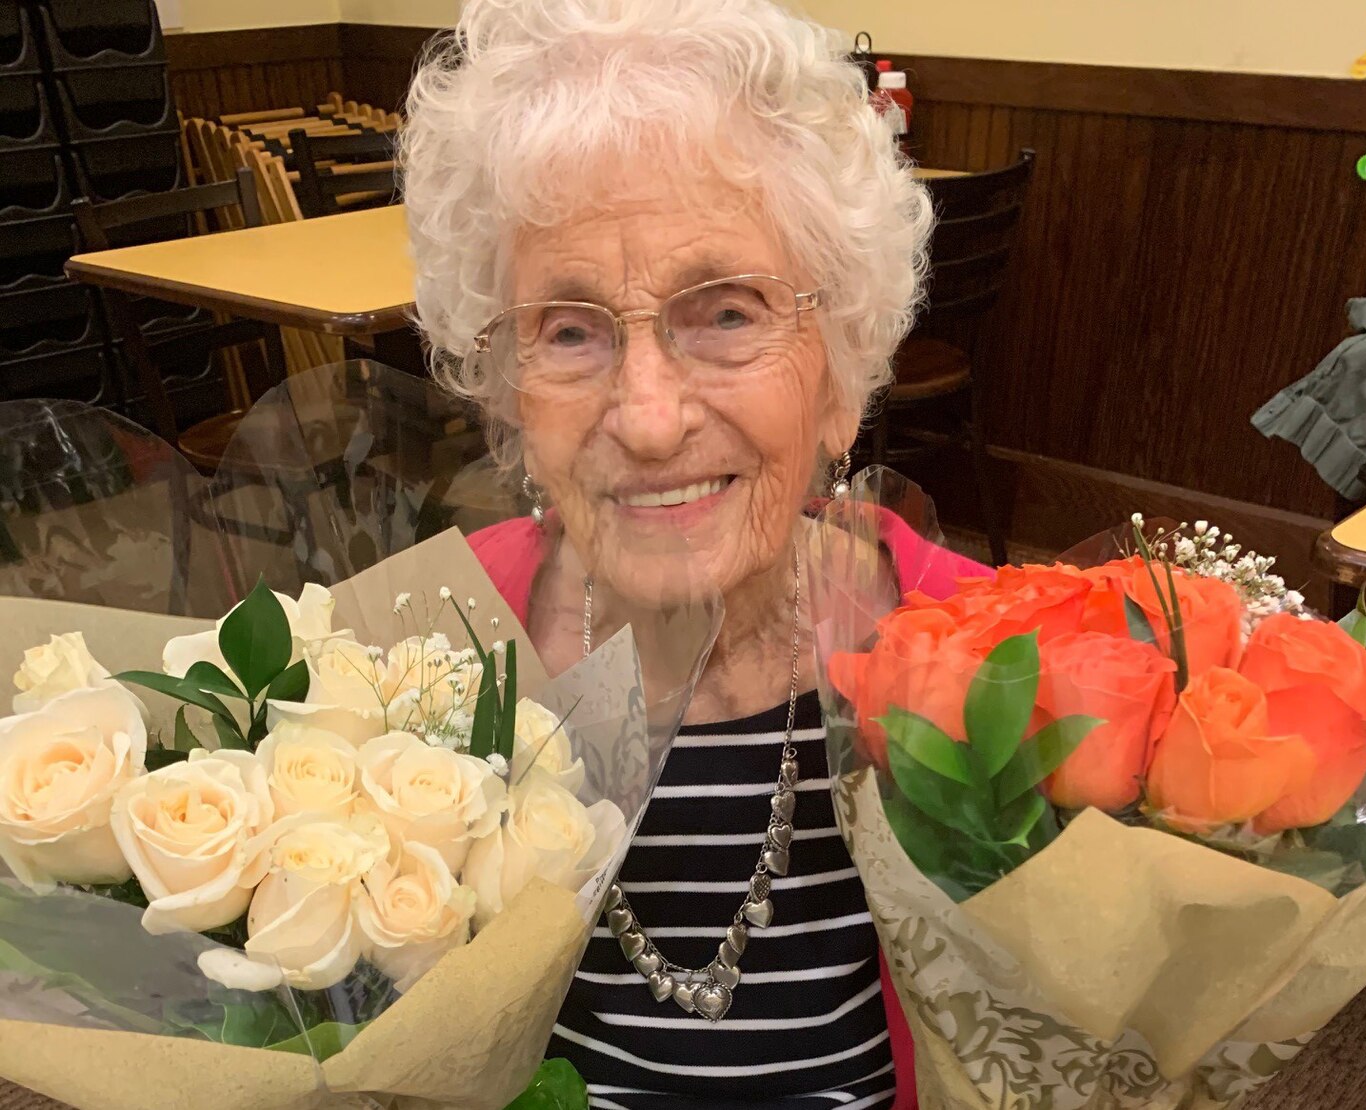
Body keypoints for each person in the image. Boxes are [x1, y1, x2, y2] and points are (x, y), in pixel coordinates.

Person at [401, 1, 991, 1106]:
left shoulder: (998, 662)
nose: (650, 418)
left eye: (726, 314)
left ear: (842, 369)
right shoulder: (428, 646)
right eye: (569, 329)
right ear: (507, 390)